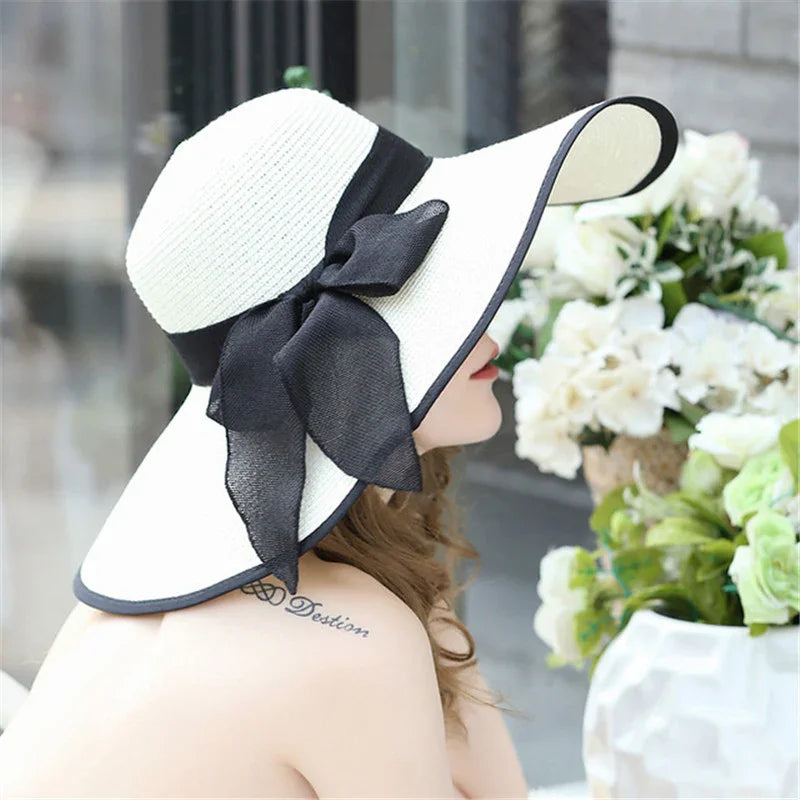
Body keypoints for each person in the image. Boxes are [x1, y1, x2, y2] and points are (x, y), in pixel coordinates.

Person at [0, 86, 679, 797]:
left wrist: (424, 603)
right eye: (437, 292)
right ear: (329, 351)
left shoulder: (121, 616)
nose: (491, 330)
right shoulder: (354, 643)